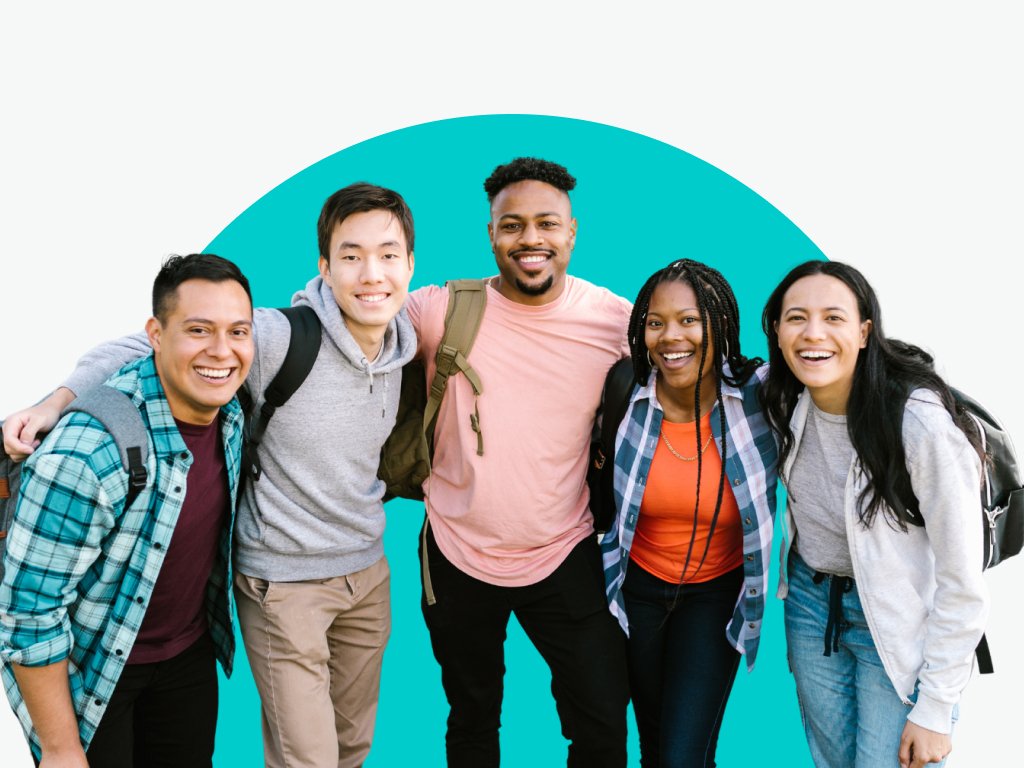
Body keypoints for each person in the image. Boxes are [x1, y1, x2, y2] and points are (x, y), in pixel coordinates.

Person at [1, 183, 418, 768]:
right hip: (283, 583)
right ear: (325, 267)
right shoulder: (273, 338)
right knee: (310, 760)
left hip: (362, 576)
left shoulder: (407, 340)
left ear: (410, 264)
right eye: (351, 256)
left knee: (351, 748)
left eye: (388, 255)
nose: (371, 272)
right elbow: (141, 345)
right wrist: (55, 402)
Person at [406, 157, 632, 767]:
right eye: (512, 225)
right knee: (473, 718)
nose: (530, 239)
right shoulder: (440, 311)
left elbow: (699, 367)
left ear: (572, 232)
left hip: (566, 549)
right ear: (491, 235)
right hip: (455, 553)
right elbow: (341, 325)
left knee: (603, 725)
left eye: (547, 224)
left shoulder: (616, 322)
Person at [0, 253, 254, 767]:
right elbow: (27, 615)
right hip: (94, 669)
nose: (222, 351)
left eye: (238, 332)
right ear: (156, 335)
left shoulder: (229, 410)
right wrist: (60, 749)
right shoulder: (88, 451)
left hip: (186, 656)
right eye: (199, 330)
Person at [760, 260, 989, 768]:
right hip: (810, 607)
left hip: (895, 619)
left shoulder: (917, 424)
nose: (813, 333)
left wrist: (936, 706)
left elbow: (962, 580)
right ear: (776, 331)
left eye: (833, 318)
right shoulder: (783, 399)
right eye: (796, 318)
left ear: (864, 332)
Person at [599, 259, 778, 767]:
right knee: (657, 749)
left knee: (681, 756)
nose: (670, 336)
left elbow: (838, 387)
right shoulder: (625, 392)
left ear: (719, 323)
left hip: (715, 596)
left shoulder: (759, 394)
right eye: (655, 322)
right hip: (635, 591)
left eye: (689, 320)